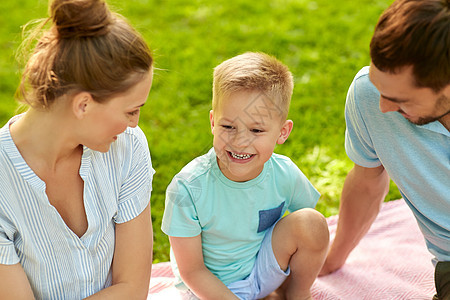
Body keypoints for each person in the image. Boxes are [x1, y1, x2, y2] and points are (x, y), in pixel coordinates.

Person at [0, 0, 155, 298]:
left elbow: (133, 288)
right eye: (130, 111)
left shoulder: (127, 147)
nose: (135, 124)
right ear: (83, 104)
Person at [162, 52, 329, 300]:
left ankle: (295, 294)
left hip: (262, 274)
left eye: (256, 129)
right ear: (212, 122)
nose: (240, 141)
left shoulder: (284, 173)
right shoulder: (188, 188)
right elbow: (192, 271)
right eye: (228, 127)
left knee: (312, 223)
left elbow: (307, 233)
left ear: (282, 132)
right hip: (206, 289)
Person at [319, 0, 450, 299]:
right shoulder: (368, 96)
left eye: (402, 99)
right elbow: (366, 184)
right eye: (381, 88)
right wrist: (332, 259)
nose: (383, 107)